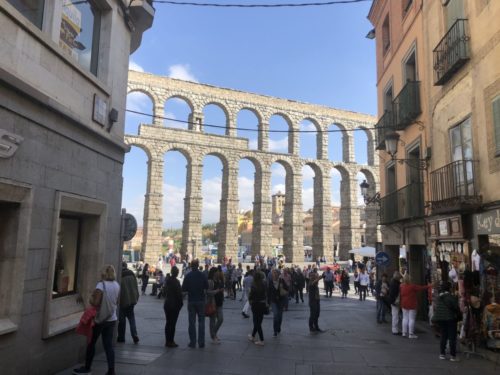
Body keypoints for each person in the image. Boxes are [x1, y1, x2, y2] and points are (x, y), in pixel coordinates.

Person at [73, 265, 120, 375]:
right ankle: (111, 370)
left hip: (100, 319)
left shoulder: (101, 285)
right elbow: (117, 302)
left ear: (104, 273)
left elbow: (96, 302)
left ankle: (87, 367)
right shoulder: (117, 285)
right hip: (111, 318)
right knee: (108, 345)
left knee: (91, 343)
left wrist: (90, 298)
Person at [182, 259, 209, 348]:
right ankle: (201, 342)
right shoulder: (202, 275)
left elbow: (184, 290)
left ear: (191, 266)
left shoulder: (188, 276)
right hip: (201, 301)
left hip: (191, 301)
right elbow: (206, 288)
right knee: (201, 322)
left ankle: (192, 342)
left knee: (191, 322)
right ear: (198, 265)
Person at [432, 281, 460, 361]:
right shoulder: (451, 297)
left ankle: (442, 354)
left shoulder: (439, 297)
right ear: (450, 288)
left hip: (441, 319)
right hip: (450, 318)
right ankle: (452, 355)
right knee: (452, 337)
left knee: (443, 336)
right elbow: (455, 307)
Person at [400, 274, 431, 339]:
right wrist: (430, 285)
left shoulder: (401, 286)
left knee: (405, 318)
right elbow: (421, 288)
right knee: (411, 319)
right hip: (411, 304)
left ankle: (404, 332)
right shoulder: (412, 286)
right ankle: (411, 334)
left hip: (404, 303)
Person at [117, 262, 139, 344]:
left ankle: (121, 337)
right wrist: (136, 296)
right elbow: (136, 286)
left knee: (122, 320)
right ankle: (134, 334)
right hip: (132, 299)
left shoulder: (120, 275)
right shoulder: (131, 273)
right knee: (131, 318)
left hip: (123, 300)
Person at [164, 266, 183, 348]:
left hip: (167, 304)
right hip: (174, 305)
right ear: (176, 273)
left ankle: (167, 340)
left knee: (168, 323)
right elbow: (179, 295)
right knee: (172, 324)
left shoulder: (167, 280)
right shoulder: (176, 282)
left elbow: (165, 292)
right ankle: (171, 341)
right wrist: (181, 304)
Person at [248, 271, 267, 346]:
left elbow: (251, 296)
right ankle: (252, 336)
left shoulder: (253, 286)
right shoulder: (264, 284)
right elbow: (265, 294)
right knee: (259, 321)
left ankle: (262, 340)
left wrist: (250, 296)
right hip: (262, 304)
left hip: (255, 305)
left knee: (257, 323)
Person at [268, 269, 288, 337]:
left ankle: (278, 327)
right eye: (273, 273)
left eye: (276, 273)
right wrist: (268, 303)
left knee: (280, 316)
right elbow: (268, 292)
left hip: (281, 301)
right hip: (274, 301)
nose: (274, 274)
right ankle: (275, 331)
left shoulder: (282, 281)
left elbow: (287, 289)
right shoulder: (270, 282)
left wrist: (283, 287)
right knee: (275, 315)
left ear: (279, 274)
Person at [207, 268, 225, 344]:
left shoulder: (219, 281)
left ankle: (213, 333)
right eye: (217, 272)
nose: (218, 273)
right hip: (213, 303)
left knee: (221, 319)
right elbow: (208, 292)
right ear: (214, 273)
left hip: (219, 303)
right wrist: (217, 291)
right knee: (213, 321)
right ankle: (213, 336)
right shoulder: (210, 281)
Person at [388, 271, 402, 335]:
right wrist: (395, 301)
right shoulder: (395, 284)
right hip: (395, 301)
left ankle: (395, 329)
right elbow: (394, 293)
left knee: (395, 315)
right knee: (395, 315)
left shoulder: (393, 282)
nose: (400, 278)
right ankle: (395, 330)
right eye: (399, 277)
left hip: (393, 301)